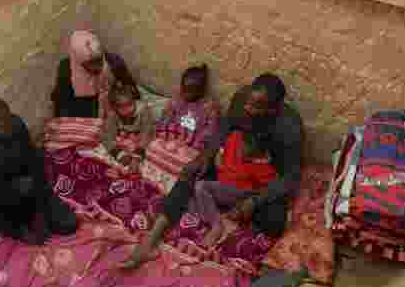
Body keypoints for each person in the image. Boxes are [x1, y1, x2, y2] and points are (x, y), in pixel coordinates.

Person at [121, 73, 303, 269]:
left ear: (273, 110)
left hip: (261, 182)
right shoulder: (242, 100)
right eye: (248, 102)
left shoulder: (289, 128)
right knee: (191, 172)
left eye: (257, 107)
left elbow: (290, 177)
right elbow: (223, 130)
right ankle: (150, 239)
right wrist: (205, 157)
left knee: (275, 222)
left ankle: (226, 209)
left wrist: (255, 201)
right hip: (233, 172)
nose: (247, 108)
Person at [0, 96, 78, 244]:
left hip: (30, 185)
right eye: (0, 122)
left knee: (68, 225)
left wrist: (40, 196)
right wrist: (18, 232)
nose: (9, 122)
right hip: (4, 204)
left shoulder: (14, 125)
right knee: (38, 233)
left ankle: (39, 207)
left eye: (7, 116)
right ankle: (23, 222)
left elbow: (32, 158)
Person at [191, 130, 277, 247]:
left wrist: (246, 203)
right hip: (220, 186)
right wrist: (219, 161)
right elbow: (220, 151)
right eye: (243, 146)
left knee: (201, 187)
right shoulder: (235, 137)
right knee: (190, 194)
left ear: (260, 152)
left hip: (240, 192)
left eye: (250, 151)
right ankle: (220, 216)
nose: (242, 152)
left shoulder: (265, 167)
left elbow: (266, 191)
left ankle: (217, 226)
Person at [51, 30, 139, 119]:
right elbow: (61, 102)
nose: (97, 68)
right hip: (81, 109)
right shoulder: (66, 69)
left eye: (99, 60)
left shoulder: (114, 62)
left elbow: (130, 87)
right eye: (90, 63)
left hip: (111, 105)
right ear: (78, 61)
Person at [152, 64, 220, 150]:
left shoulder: (210, 107)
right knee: (155, 146)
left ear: (201, 90)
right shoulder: (177, 99)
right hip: (172, 138)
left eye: (190, 91)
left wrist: (188, 141)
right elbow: (166, 118)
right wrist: (167, 136)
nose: (185, 94)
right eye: (183, 89)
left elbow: (210, 132)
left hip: (192, 144)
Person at [102, 82, 156, 172]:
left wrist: (136, 157)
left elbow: (147, 132)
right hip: (124, 137)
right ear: (115, 107)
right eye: (122, 107)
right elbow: (108, 135)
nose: (127, 110)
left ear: (134, 101)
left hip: (142, 139)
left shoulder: (143, 111)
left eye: (130, 104)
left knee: (153, 146)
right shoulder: (113, 114)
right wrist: (119, 154)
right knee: (102, 136)